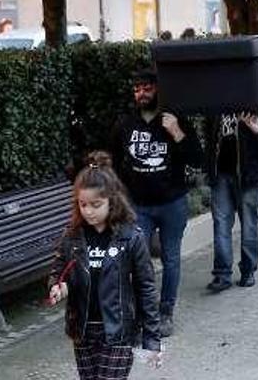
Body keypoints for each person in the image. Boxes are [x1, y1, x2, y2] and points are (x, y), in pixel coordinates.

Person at [48, 153, 163, 379]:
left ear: (112, 200)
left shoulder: (131, 237)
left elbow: (146, 288)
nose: (88, 211)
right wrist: (58, 287)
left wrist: (152, 338)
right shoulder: (72, 236)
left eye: (95, 205)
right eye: (82, 205)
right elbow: (59, 270)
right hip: (82, 329)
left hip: (118, 329)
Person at [109, 67, 203, 337]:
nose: (141, 93)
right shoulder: (125, 123)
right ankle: (143, 315)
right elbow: (113, 160)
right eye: (137, 89)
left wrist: (176, 132)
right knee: (138, 261)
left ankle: (165, 313)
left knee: (171, 258)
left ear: (158, 89)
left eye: (147, 88)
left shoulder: (175, 119)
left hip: (172, 202)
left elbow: (196, 159)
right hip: (138, 205)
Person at [205, 110, 258, 292]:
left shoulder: (257, 104)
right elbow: (210, 138)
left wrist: (257, 131)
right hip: (221, 174)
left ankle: (248, 269)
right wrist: (209, 167)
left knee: (248, 224)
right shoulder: (216, 106)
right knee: (220, 223)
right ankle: (222, 273)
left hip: (249, 176)